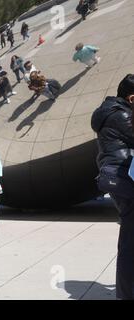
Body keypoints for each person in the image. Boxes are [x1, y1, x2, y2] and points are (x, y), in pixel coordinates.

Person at [91, 74, 134, 300]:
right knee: (130, 241)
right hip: (125, 177)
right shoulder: (123, 115)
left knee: (129, 237)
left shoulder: (111, 112)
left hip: (120, 177)